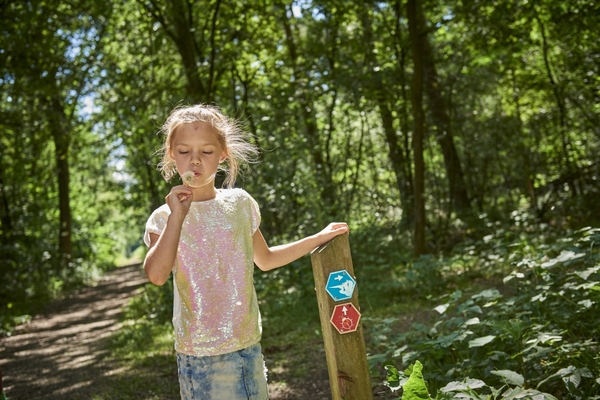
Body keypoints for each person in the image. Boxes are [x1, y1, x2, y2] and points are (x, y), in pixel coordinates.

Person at [143, 104, 348, 400]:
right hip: (201, 355)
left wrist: (317, 238)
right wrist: (178, 216)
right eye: (185, 152)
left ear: (223, 154)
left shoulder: (240, 204)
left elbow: (266, 259)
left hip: (248, 346)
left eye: (207, 152)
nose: (196, 161)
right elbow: (157, 275)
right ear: (171, 154)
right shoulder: (164, 217)